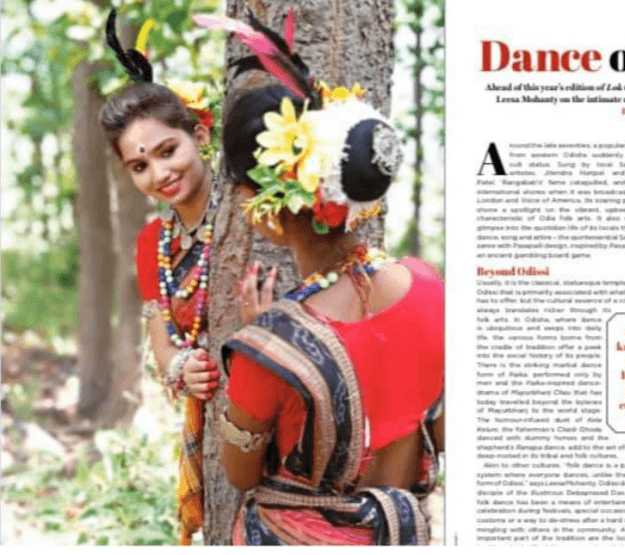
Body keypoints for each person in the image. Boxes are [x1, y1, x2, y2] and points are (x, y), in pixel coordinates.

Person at [200, 10, 444, 546]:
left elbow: (239, 473)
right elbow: (441, 431)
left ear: (262, 209)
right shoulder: (431, 289)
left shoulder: (271, 349)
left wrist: (265, 339)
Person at [99, 9, 237, 545]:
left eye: (168, 151)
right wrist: (181, 367)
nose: (159, 174)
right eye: (139, 166)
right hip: (213, 424)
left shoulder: (244, 212)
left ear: (199, 134)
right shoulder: (152, 244)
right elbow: (161, 340)